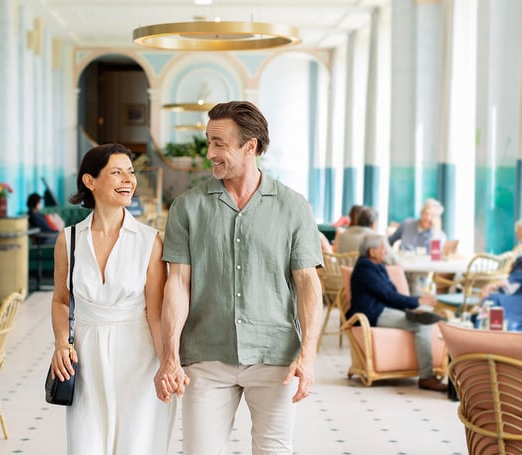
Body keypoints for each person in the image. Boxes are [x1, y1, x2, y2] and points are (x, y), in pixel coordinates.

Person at [155, 101, 324, 454]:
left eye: (219, 143)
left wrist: (307, 355)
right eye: (208, 141)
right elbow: (177, 285)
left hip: (275, 356)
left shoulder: (293, 206)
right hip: (205, 354)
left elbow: (308, 283)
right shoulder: (188, 207)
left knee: (274, 450)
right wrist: (170, 355)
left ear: (251, 146)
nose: (209, 152)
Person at [49, 143, 175, 454]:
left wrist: (167, 364)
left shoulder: (150, 241)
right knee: (86, 444)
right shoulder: (68, 239)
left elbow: (156, 314)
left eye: (130, 173)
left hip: (139, 356)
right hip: (86, 355)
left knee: (137, 443)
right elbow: (61, 301)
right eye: (116, 172)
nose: (127, 180)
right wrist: (61, 343)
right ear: (90, 181)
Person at [348, 234, 447, 392]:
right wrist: (417, 301)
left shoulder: (378, 266)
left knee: (426, 313)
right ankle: (426, 377)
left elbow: (391, 293)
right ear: (372, 252)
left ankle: (416, 314)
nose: (385, 251)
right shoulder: (365, 269)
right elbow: (389, 296)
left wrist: (413, 305)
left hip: (385, 309)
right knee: (422, 324)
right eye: (382, 248)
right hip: (373, 313)